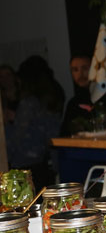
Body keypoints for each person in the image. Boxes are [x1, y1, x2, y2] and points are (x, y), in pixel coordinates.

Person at [6, 55, 65, 190]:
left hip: (25, 165)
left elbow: (17, 137)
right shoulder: (53, 98)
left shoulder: (29, 103)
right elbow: (52, 134)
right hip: (45, 163)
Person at [60, 53, 106, 136]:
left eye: (85, 68)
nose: (80, 74)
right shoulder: (73, 104)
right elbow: (65, 134)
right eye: (75, 70)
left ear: (94, 69)